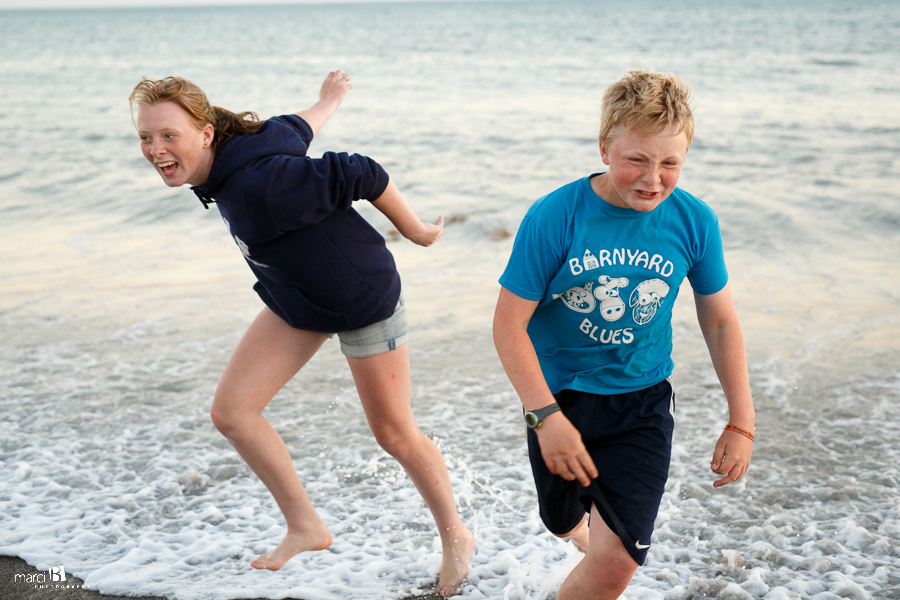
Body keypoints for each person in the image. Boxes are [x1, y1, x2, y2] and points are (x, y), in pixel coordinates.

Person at [129, 70, 474, 596]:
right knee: (233, 413)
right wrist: (326, 100)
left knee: (395, 433)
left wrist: (418, 231)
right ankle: (305, 526)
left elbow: (361, 171)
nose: (156, 149)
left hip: (362, 300)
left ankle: (456, 538)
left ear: (204, 133)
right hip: (298, 299)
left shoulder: (260, 186)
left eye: (168, 136)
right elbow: (298, 127)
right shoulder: (245, 145)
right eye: (145, 137)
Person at [492, 70, 755, 599]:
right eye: (637, 159)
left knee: (618, 563)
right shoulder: (555, 217)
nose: (653, 178)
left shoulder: (694, 221)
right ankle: (578, 529)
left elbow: (721, 320)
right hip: (561, 399)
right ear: (605, 149)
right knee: (562, 521)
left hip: (643, 403)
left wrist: (741, 420)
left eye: (670, 163)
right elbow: (507, 326)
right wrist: (546, 417)